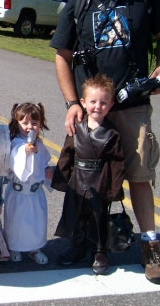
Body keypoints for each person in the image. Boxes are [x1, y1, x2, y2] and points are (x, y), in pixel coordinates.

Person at [50, 0, 160, 284]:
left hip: (132, 107)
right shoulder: (77, 6)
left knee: (138, 177)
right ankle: (87, 241)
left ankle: (150, 246)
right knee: (87, 180)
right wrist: (72, 102)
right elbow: (61, 55)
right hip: (92, 112)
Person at [52, 74, 125, 275]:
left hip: (99, 181)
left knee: (98, 216)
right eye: (93, 102)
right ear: (83, 103)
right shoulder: (77, 128)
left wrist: (113, 189)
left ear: (110, 105)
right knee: (76, 215)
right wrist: (61, 177)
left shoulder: (112, 134)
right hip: (77, 179)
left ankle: (99, 250)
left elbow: (116, 164)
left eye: (103, 103)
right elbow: (67, 153)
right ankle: (77, 246)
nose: (97, 107)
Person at [4, 103, 53, 265]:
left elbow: (44, 161)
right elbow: (14, 157)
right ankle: (14, 247)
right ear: (17, 124)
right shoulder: (17, 143)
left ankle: (35, 248)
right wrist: (25, 150)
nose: (29, 127)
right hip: (19, 193)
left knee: (36, 221)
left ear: (40, 124)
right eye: (24, 123)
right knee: (16, 222)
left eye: (34, 123)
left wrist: (47, 172)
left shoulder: (40, 145)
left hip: (35, 193)